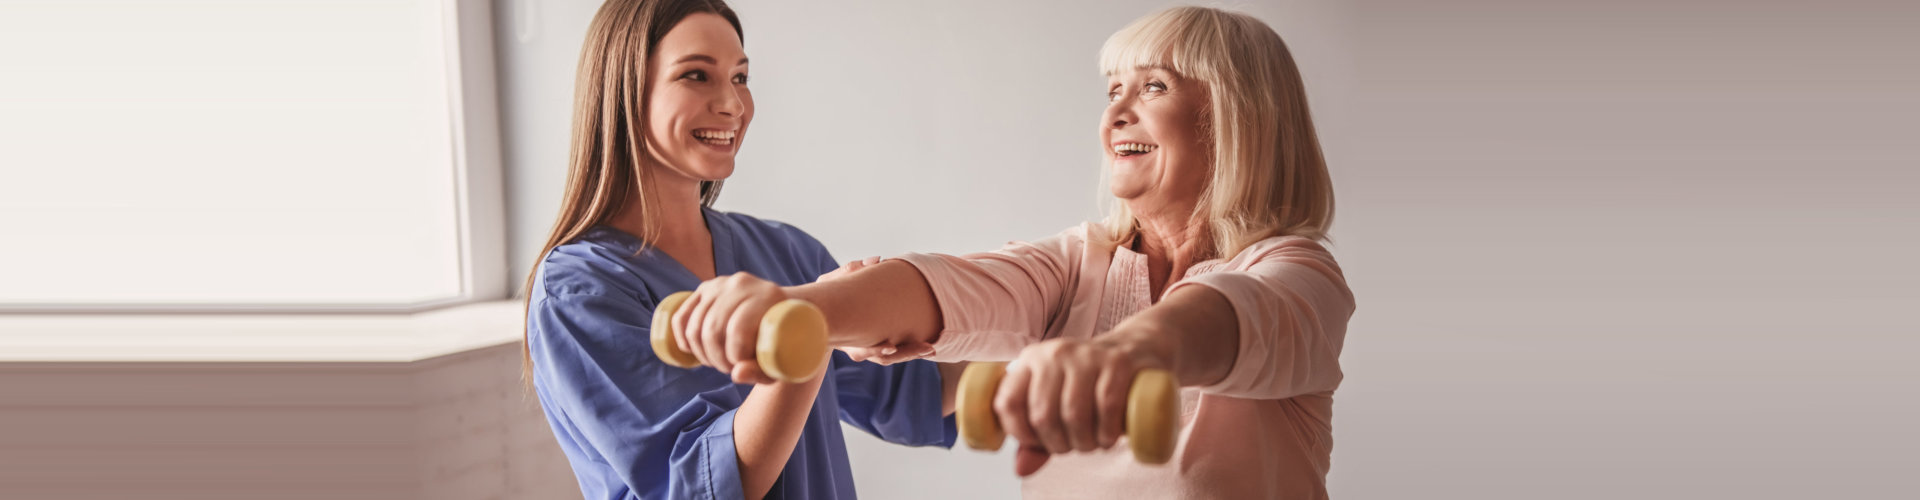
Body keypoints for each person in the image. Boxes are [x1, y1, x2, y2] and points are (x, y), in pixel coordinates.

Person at [670, 6, 1354, 499]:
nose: (1116, 113)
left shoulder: (1297, 273)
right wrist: (798, 307)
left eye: (1153, 87)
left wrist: (1120, 358)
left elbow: (1231, 316)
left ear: (1237, 117)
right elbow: (956, 286)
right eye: (1113, 91)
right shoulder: (1077, 264)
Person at [520, 1, 958, 498]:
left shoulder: (787, 251)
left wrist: (1041, 309)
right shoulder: (579, 290)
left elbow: (912, 393)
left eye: (741, 77)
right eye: (696, 76)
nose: (733, 103)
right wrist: (805, 329)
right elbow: (705, 484)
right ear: (623, 90)